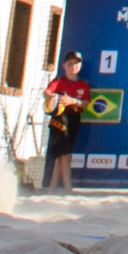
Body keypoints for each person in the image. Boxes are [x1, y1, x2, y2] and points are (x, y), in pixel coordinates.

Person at [41, 51, 89, 192]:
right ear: (64, 66)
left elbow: (85, 103)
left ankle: (52, 189)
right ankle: (68, 189)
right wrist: (54, 97)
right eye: (70, 64)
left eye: (76, 64)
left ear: (80, 66)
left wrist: (73, 101)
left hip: (74, 119)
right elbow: (46, 92)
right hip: (59, 120)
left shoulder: (83, 84)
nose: (73, 66)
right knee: (65, 155)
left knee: (61, 158)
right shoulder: (59, 81)